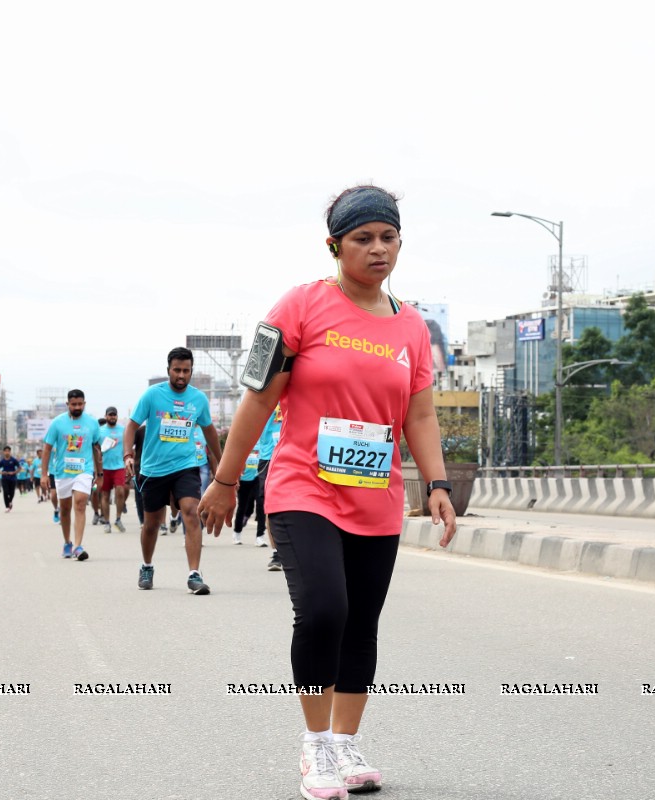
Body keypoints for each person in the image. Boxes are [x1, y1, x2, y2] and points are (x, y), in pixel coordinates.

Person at [198, 185, 457, 800]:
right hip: (302, 486)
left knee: (361, 622)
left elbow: (419, 417)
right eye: (362, 238)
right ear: (334, 245)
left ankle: (346, 745)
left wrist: (438, 483)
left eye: (387, 237)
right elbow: (259, 397)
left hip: (376, 495)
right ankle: (315, 748)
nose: (377, 249)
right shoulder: (300, 306)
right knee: (324, 612)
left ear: (400, 243)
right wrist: (226, 480)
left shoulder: (413, 326)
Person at [124, 346, 222, 594]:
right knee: (152, 524)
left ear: (191, 372)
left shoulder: (198, 399)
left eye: (186, 371)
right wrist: (128, 455)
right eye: (177, 370)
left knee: (191, 510)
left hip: (186, 466)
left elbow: (209, 431)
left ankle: (194, 574)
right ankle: (146, 566)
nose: (181, 375)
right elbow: (131, 426)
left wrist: (220, 463)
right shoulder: (152, 396)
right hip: (153, 469)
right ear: (168, 369)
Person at [41, 389, 103, 561]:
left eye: (80, 404)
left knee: (81, 503)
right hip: (63, 472)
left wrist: (100, 473)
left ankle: (78, 546)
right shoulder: (57, 423)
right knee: (66, 509)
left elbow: (97, 449)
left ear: (84, 404)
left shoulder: (91, 422)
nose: (77, 407)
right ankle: (67, 541)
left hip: (84, 470)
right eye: (73, 404)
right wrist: (44, 474)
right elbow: (47, 449)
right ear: (68, 404)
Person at [256, 405, 285, 568]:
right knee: (271, 506)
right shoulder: (266, 395)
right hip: (268, 458)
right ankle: (276, 553)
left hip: (294, 455)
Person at [98, 406, 129, 534]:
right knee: (105, 495)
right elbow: (95, 448)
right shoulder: (100, 431)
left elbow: (128, 447)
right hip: (104, 468)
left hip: (119, 467)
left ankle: (118, 519)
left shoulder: (123, 430)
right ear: (106, 416)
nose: (112, 417)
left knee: (120, 492)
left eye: (114, 415)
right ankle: (106, 522)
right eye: (110, 415)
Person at [0, 447, 20, 512]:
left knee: (12, 492)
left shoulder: (13, 460)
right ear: (4, 452)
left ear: (10, 452)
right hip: (4, 478)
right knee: (5, 492)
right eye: (5, 451)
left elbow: (19, 468)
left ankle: (10, 501)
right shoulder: (2, 461)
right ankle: (7, 506)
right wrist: (2, 472)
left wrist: (14, 472)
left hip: (12, 479)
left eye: (8, 451)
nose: (7, 452)